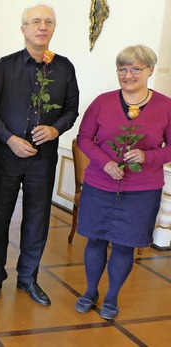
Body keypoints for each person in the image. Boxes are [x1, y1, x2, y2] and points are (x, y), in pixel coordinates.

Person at [0, 4, 79, 306]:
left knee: (37, 218)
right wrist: (10, 139)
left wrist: (56, 130)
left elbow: (71, 110)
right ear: (23, 28)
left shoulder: (65, 68)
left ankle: (28, 278)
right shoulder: (4, 66)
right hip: (7, 156)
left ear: (53, 29)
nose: (42, 26)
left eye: (48, 22)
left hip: (44, 158)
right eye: (35, 21)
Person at [75, 45, 171, 320]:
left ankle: (112, 296)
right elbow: (84, 138)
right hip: (99, 185)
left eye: (135, 69)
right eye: (123, 69)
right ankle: (90, 291)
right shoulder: (102, 102)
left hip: (141, 190)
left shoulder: (166, 106)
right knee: (95, 240)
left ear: (150, 70)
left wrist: (148, 155)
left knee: (124, 245)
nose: (128, 75)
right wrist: (105, 162)